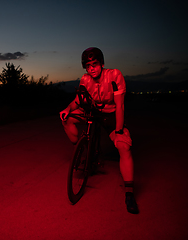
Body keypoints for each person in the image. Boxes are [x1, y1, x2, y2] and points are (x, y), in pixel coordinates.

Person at [59, 47, 139, 214]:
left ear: (101, 63)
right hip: (92, 110)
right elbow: (77, 100)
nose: (91, 69)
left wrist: (118, 130)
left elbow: (120, 105)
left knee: (124, 146)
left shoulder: (114, 75)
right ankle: (82, 149)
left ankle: (130, 193)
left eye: (94, 64)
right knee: (66, 118)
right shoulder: (85, 79)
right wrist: (67, 108)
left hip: (110, 114)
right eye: (88, 66)